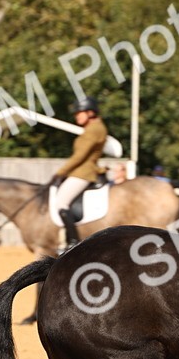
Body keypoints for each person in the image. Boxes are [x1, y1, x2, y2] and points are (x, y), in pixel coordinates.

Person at [49, 96, 108, 247]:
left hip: (84, 172)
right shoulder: (92, 128)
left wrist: (61, 172)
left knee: (61, 202)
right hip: (80, 170)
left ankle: (73, 241)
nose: (76, 116)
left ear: (90, 113)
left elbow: (79, 156)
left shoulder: (94, 129)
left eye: (79, 113)